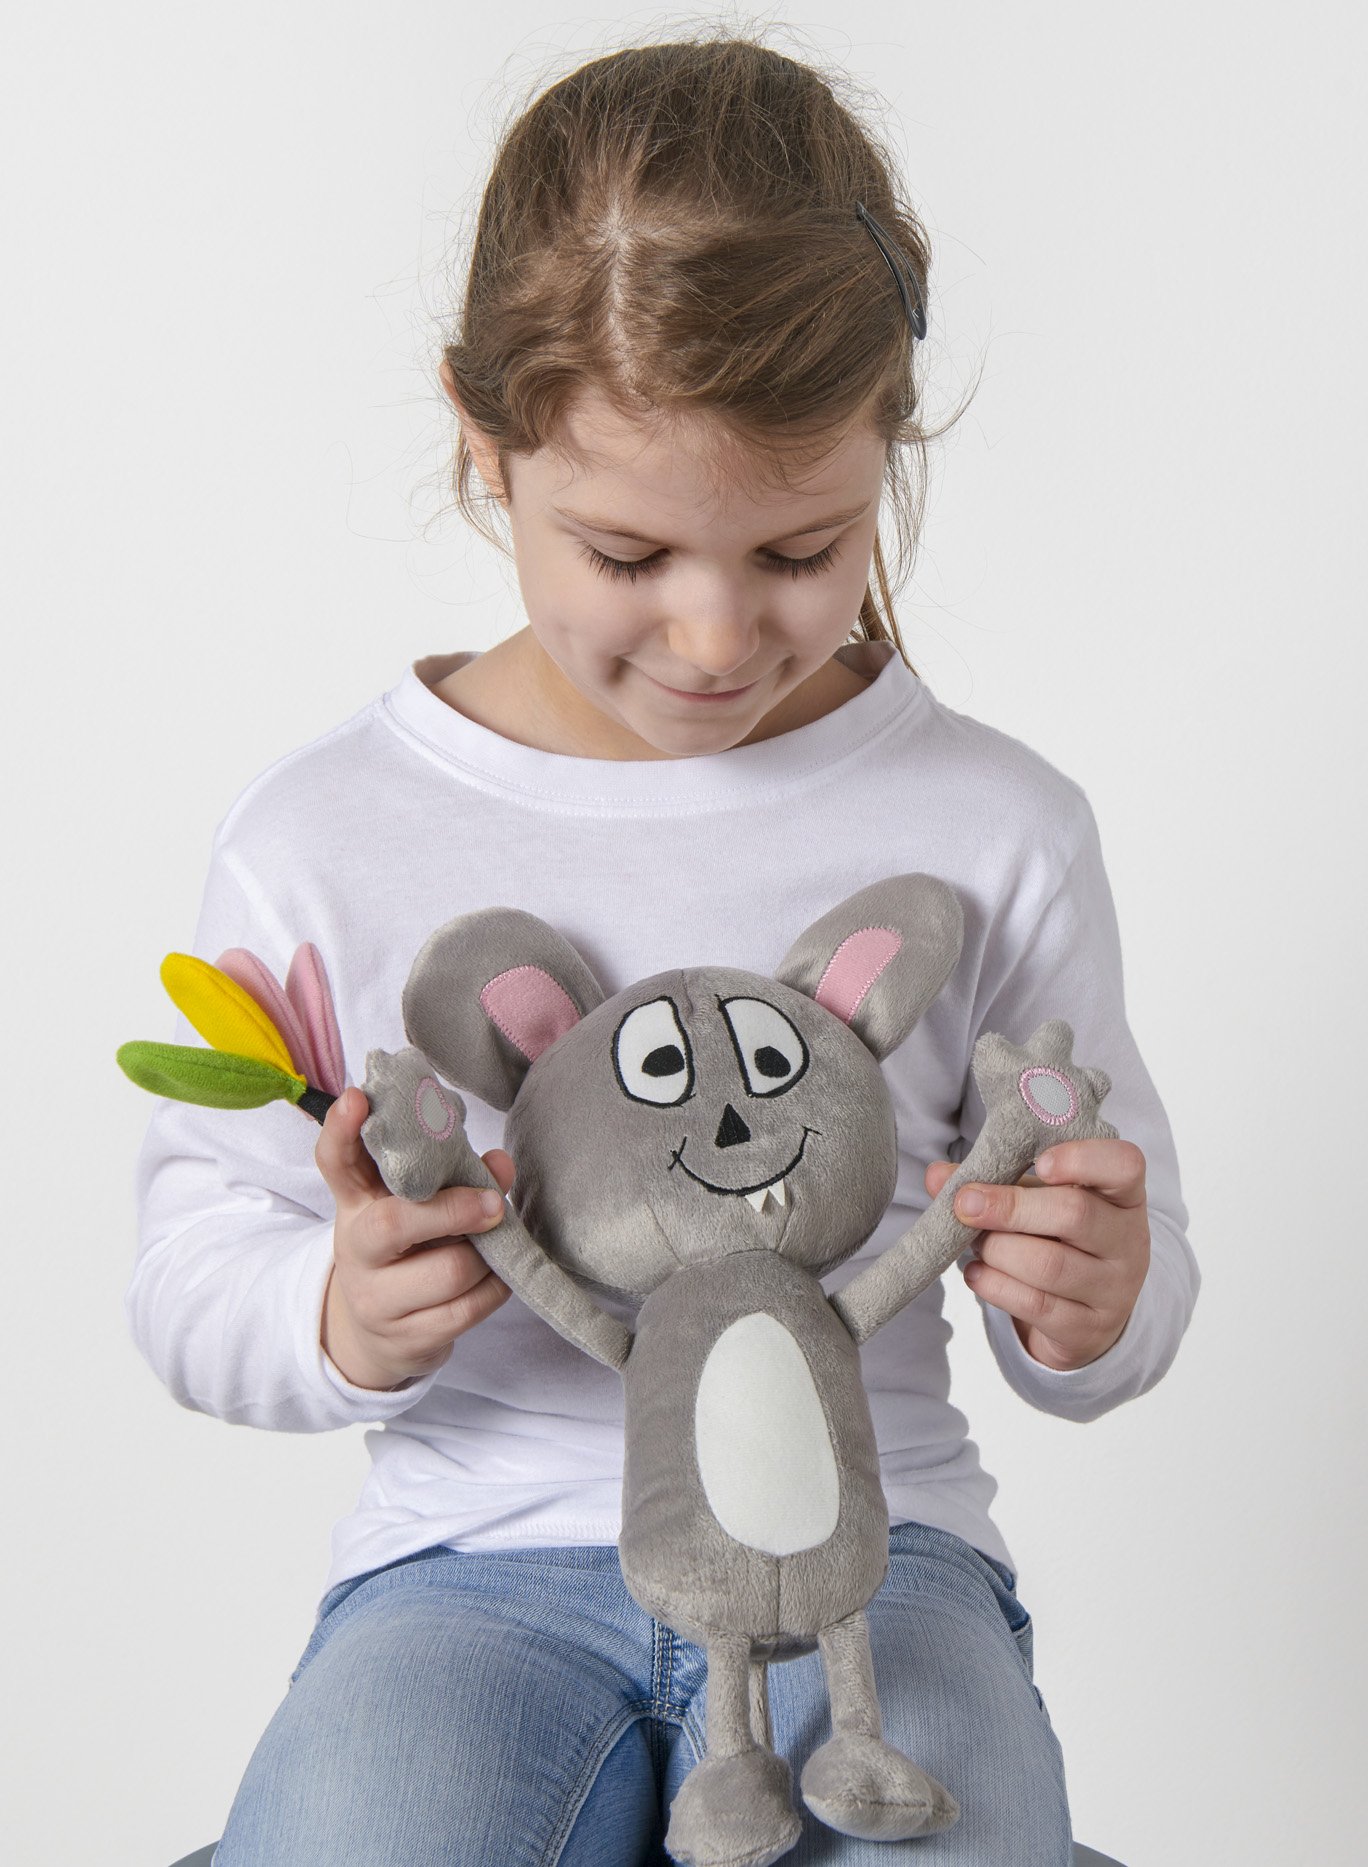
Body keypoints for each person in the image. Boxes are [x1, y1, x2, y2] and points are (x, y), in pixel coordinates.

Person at [127, 33, 1198, 1867]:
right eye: (625, 553)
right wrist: (339, 1314)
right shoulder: (321, 835)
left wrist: (1094, 1297)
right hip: (473, 1575)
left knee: (963, 1832)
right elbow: (189, 1266)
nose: (715, 638)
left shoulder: (994, 826)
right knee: (363, 1838)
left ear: (888, 445)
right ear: (483, 435)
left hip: (882, 1565)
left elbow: (1133, 1275)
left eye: (803, 547)